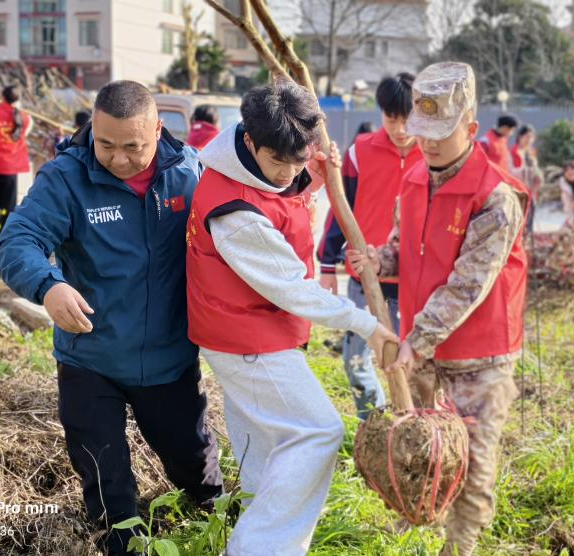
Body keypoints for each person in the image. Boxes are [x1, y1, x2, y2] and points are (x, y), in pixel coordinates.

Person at [0, 81, 223, 555]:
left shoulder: (189, 172)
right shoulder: (66, 178)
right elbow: (17, 241)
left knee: (195, 468)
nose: (118, 159)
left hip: (169, 359)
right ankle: (123, 542)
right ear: (92, 130)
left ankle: (218, 524)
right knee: (105, 480)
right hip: (90, 358)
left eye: (133, 147)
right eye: (106, 145)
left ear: (157, 130)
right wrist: (48, 285)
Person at [185, 80, 398, 556]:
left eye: (297, 161)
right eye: (277, 161)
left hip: (247, 329)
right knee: (319, 430)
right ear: (249, 141)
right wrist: (367, 325)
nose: (286, 173)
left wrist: (316, 176)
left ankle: (252, 542)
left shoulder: (269, 166)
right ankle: (257, 548)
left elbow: (283, 195)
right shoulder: (233, 213)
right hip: (246, 338)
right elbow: (293, 287)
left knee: (266, 448)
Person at [348, 62, 529, 556]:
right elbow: (404, 247)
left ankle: (460, 546)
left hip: (481, 352)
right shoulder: (413, 178)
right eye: (421, 130)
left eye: (440, 133)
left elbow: (468, 285)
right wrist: (377, 259)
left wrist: (416, 340)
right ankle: (416, 515)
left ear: (470, 128)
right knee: (423, 443)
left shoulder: (495, 198)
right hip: (424, 344)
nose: (425, 143)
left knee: (474, 455)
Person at [317, 72, 423, 420]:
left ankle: (414, 424)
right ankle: (375, 424)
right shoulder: (360, 152)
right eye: (392, 119)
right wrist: (328, 264)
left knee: (412, 361)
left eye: (408, 120)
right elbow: (340, 206)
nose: (401, 129)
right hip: (363, 278)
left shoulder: (432, 154)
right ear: (381, 114)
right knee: (357, 362)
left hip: (413, 282)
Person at [0, 84, 32, 247]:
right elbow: (25, 133)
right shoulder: (25, 118)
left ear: (2, 96)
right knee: (8, 207)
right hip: (10, 167)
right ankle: (4, 241)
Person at [511, 124, 543, 229]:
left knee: (530, 219)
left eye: (531, 137)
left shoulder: (531, 152)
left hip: (532, 189)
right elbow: (511, 172)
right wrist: (527, 171)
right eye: (527, 137)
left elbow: (535, 169)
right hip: (519, 190)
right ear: (520, 136)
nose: (529, 140)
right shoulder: (514, 152)